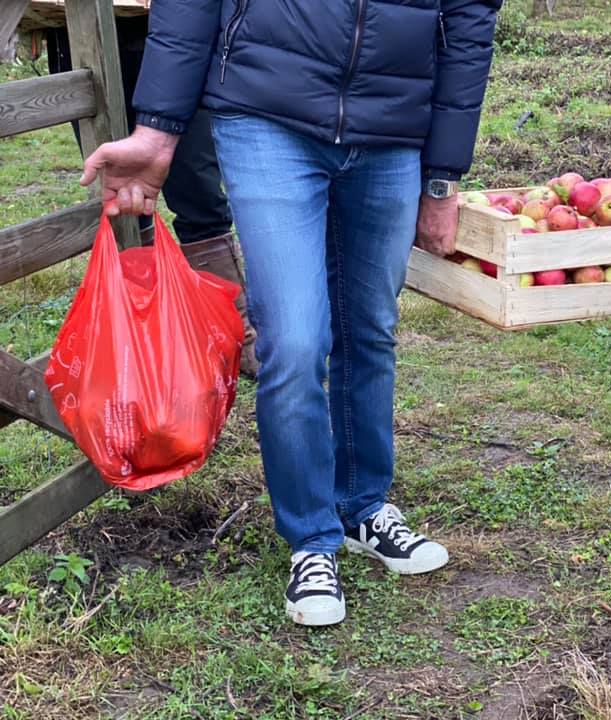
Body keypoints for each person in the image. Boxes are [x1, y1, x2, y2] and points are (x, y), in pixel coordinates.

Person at [79, 0, 501, 626]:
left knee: (370, 331)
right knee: (296, 340)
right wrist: (157, 129)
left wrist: (441, 177)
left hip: (394, 127)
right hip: (266, 114)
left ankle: (362, 506)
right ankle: (311, 539)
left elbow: (468, 21)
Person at [45, 20, 257, 377]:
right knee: (127, 199)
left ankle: (237, 333)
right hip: (82, 37)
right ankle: (151, 334)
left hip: (176, 37)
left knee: (199, 191)